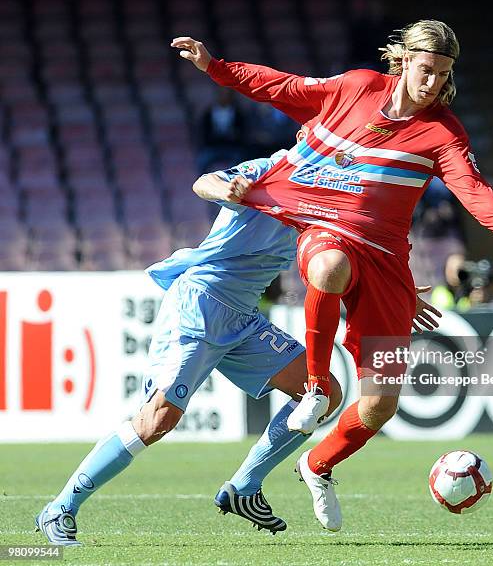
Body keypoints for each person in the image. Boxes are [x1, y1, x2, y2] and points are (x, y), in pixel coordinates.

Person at [171, 19, 493, 531]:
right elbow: (281, 86)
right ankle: (313, 388)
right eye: (426, 69)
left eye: (443, 73)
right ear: (402, 62)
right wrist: (215, 68)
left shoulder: (443, 132)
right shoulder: (354, 87)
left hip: (387, 262)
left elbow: (472, 190)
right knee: (327, 268)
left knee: (378, 406)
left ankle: (316, 465)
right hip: (326, 230)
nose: (433, 82)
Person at [34, 127, 440, 545]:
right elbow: (202, 182)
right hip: (201, 305)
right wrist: (229, 189)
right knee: (158, 419)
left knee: (324, 393)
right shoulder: (270, 169)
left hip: (243, 318)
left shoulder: (327, 202)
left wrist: (402, 294)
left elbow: (360, 252)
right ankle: (60, 508)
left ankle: (244, 487)